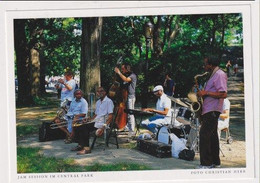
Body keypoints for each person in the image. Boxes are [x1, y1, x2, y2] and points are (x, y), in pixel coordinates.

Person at [197, 55, 227, 169]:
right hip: (209, 109)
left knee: (204, 135)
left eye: (206, 64)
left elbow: (223, 94)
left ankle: (206, 164)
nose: (204, 66)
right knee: (213, 136)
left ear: (211, 64)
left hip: (213, 109)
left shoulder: (219, 74)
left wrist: (206, 93)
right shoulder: (213, 74)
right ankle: (215, 162)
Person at [71, 87, 114, 155]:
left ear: (105, 92)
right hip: (96, 121)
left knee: (84, 127)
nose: (99, 93)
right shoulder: (98, 102)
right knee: (78, 125)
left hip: (102, 123)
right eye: (98, 91)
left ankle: (87, 149)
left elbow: (111, 116)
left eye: (101, 91)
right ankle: (80, 145)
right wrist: (88, 119)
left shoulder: (109, 101)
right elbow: (96, 114)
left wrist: (103, 127)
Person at [114, 63, 137, 137]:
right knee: (126, 113)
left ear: (127, 69)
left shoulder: (133, 76)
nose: (122, 70)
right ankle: (127, 127)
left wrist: (119, 72)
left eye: (123, 69)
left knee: (130, 113)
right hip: (125, 97)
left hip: (130, 96)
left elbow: (126, 80)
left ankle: (132, 130)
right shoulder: (126, 76)